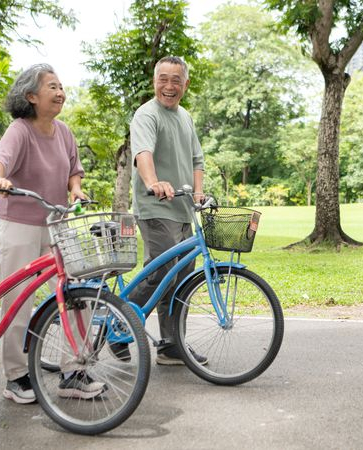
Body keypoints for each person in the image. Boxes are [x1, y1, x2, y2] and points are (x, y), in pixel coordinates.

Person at [0, 64, 104, 403]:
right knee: (18, 301)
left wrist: (76, 189)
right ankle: (16, 377)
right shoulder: (19, 131)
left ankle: (73, 372)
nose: (60, 92)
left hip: (57, 223)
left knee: (76, 294)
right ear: (31, 97)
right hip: (19, 225)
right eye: (51, 87)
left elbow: (73, 172)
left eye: (61, 86)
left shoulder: (64, 131)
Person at [128, 56, 208, 366]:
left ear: (185, 84)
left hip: (183, 208)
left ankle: (172, 344)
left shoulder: (185, 116)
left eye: (176, 80)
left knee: (182, 278)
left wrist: (198, 192)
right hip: (155, 206)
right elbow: (143, 153)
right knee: (161, 270)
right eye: (163, 79)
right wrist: (153, 182)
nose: (169, 86)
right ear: (154, 81)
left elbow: (197, 160)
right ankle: (118, 324)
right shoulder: (147, 115)